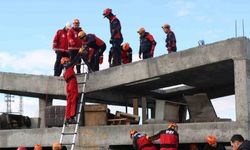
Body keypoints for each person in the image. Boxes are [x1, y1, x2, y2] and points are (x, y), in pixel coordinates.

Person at [61, 48, 85, 125]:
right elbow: (75, 60)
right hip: (72, 83)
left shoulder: (65, 70)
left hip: (68, 85)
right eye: (67, 60)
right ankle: (72, 117)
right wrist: (79, 53)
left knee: (69, 102)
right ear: (65, 62)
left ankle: (67, 118)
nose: (69, 61)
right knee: (74, 100)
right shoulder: (68, 66)